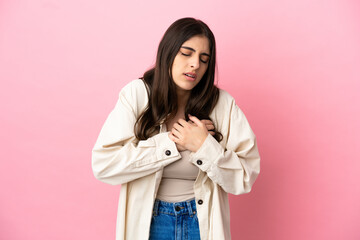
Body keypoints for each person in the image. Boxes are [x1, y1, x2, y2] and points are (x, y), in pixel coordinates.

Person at [92, 17, 260, 240]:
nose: (195, 65)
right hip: (151, 222)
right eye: (186, 53)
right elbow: (104, 164)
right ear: (168, 52)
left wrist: (203, 146)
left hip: (200, 223)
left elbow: (245, 177)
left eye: (204, 59)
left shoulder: (222, 104)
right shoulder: (137, 94)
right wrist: (171, 144)